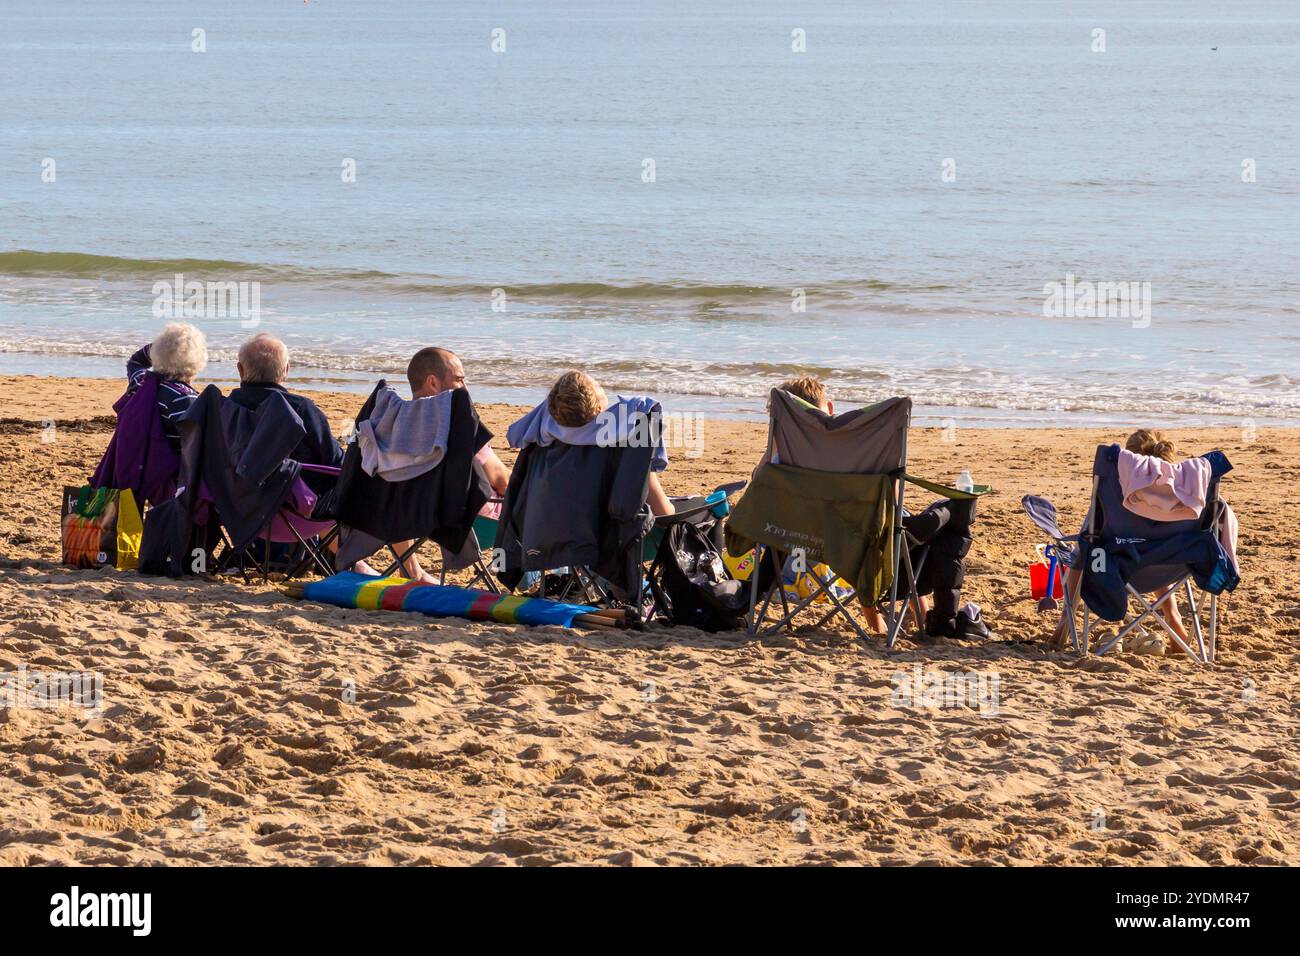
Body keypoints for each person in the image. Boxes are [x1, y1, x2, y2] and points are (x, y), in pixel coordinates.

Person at [772, 377, 991, 641]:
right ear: (829, 409)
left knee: (885, 534)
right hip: (867, 540)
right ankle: (925, 619)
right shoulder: (851, 447)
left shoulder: (782, 455)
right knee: (913, 528)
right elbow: (893, 502)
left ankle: (880, 625)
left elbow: (763, 490)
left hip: (799, 536)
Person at [1048, 429, 1196, 654]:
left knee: (1083, 550)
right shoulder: (1180, 496)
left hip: (1110, 569)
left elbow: (1086, 539)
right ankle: (1174, 619)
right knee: (1154, 548)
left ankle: (1064, 624)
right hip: (1169, 567)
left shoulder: (1113, 495)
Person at [546, 370, 674, 517]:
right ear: (599, 409)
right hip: (609, 535)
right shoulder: (623, 446)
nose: (601, 385)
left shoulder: (546, 444)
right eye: (597, 385)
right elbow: (664, 513)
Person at [227, 332, 343, 490]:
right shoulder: (300, 409)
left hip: (230, 499)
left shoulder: (224, 408)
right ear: (286, 370)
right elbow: (334, 461)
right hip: (293, 503)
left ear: (240, 370)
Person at [126, 322, 207, 450]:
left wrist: (164, 347)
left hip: (137, 462)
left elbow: (136, 361)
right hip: (169, 468)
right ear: (198, 362)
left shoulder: (140, 383)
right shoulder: (187, 400)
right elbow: (197, 447)